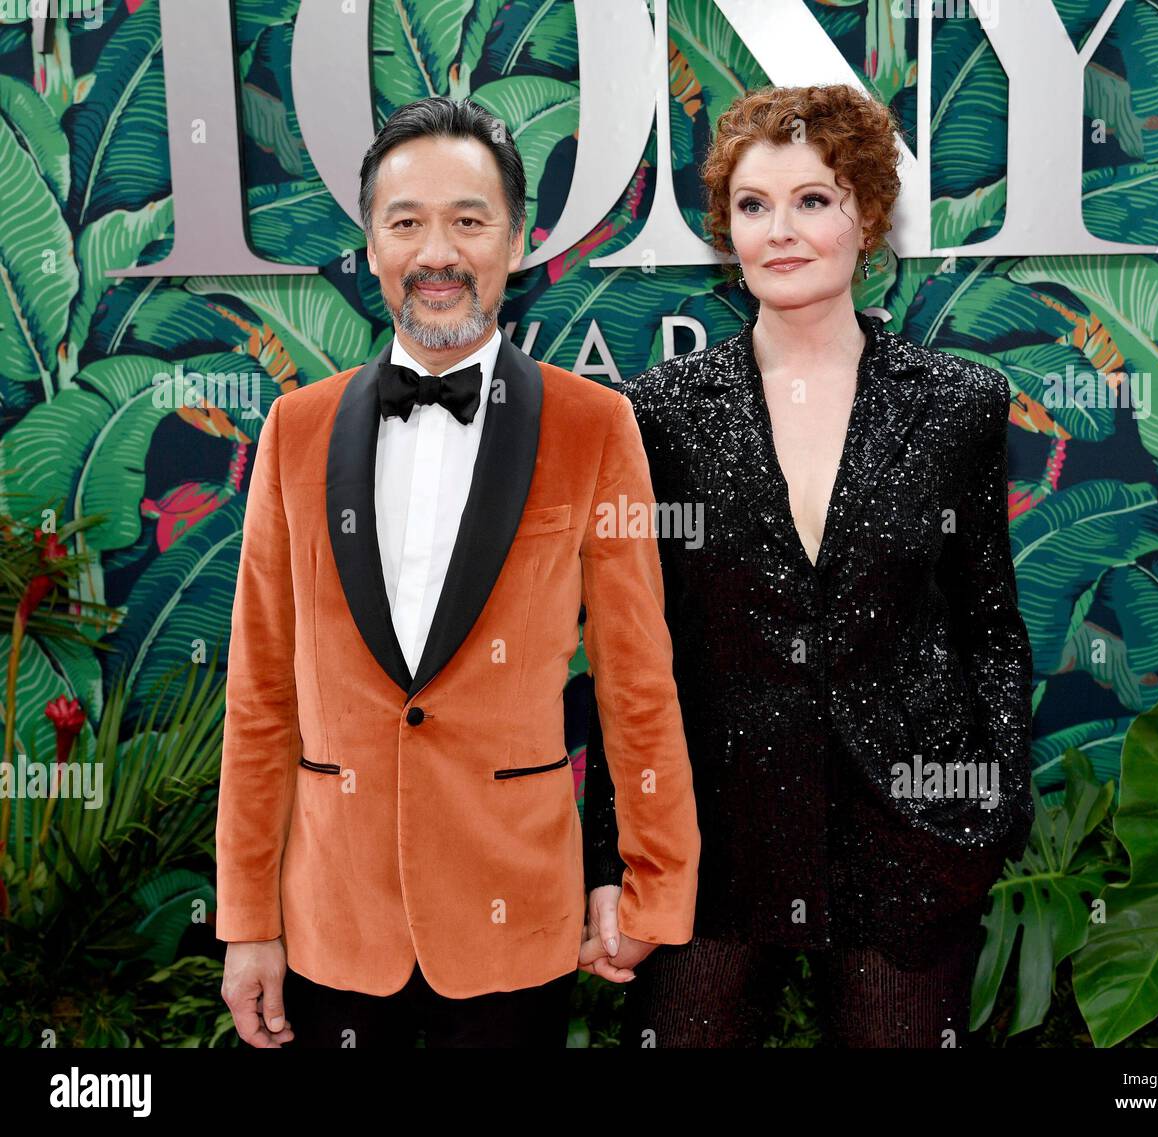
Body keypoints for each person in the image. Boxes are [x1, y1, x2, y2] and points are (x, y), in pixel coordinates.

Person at [215, 96, 699, 1048]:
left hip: (514, 922)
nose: (437, 251)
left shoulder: (596, 427)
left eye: (469, 221)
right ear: (371, 244)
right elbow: (260, 694)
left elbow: (637, 683)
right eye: (407, 222)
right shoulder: (293, 432)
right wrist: (247, 920)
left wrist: (656, 882)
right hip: (331, 928)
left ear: (517, 242)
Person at [582, 83, 1035, 1047]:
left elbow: (989, 624)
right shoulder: (658, 410)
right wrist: (610, 859)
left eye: (813, 200)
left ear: (868, 216)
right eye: (754, 206)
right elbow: (633, 655)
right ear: (725, 227)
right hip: (715, 836)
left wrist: (987, 803)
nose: (780, 231)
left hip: (907, 839)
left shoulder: (959, 403)